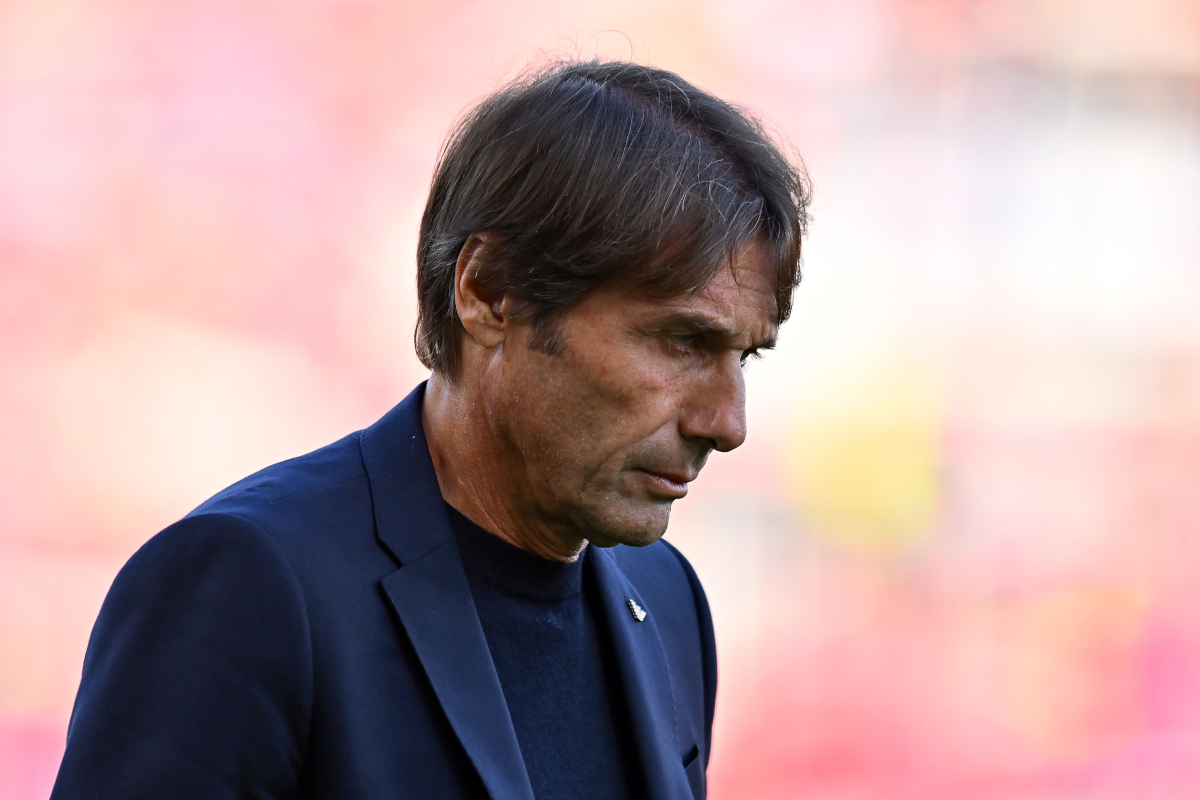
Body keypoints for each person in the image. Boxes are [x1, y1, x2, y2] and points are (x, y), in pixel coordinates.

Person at [50, 59, 810, 800]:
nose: (728, 422)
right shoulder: (251, 585)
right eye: (683, 341)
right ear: (489, 292)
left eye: (745, 355)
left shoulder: (669, 601)